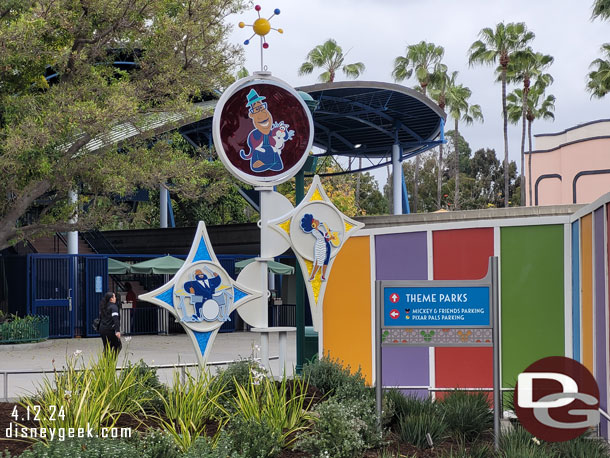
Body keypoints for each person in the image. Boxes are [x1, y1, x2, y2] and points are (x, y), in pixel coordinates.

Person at [300, 213, 332, 281]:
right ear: (313, 224)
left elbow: (324, 236)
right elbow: (323, 238)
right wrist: (330, 238)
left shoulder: (319, 230)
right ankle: (312, 276)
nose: (317, 220)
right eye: (314, 220)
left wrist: (328, 233)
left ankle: (323, 275)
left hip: (326, 245)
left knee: (326, 261)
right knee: (319, 260)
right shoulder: (314, 231)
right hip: (321, 246)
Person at [99, 291, 121, 356]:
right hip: (110, 330)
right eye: (114, 297)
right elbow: (115, 319)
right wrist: (117, 331)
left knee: (107, 347)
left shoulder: (104, 306)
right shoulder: (114, 307)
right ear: (111, 299)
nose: (115, 298)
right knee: (118, 346)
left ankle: (104, 363)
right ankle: (111, 362)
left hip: (102, 329)